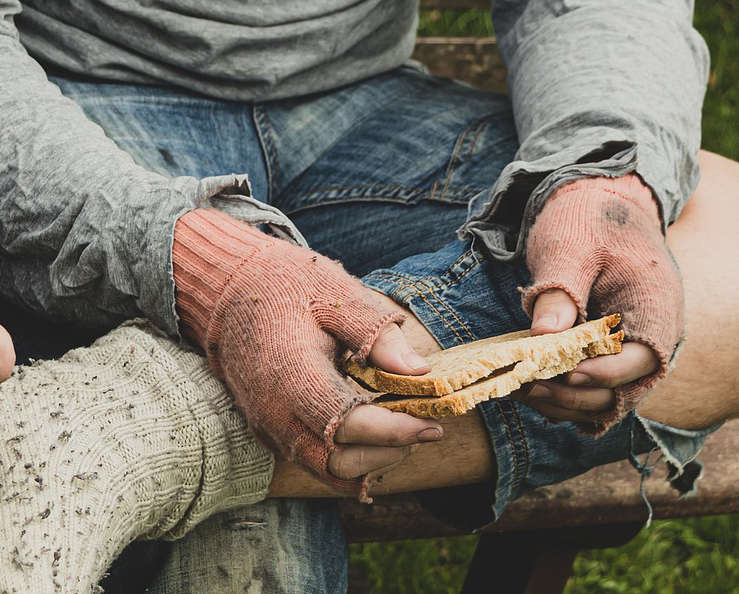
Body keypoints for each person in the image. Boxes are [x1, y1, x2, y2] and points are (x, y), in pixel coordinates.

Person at [0, 0, 735, 592]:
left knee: (722, 250)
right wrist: (205, 269)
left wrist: (603, 181)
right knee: (252, 552)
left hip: (366, 110)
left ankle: (110, 426)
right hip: (63, 104)